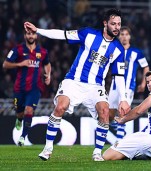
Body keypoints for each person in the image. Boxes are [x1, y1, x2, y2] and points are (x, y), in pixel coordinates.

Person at [24, 8, 130, 161]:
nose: (117, 27)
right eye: (113, 24)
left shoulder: (119, 49)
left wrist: (123, 98)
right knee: (60, 107)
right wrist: (38, 30)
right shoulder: (88, 34)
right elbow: (62, 34)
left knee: (105, 112)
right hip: (74, 81)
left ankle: (97, 153)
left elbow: (119, 76)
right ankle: (47, 148)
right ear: (105, 23)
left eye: (119, 24)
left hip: (96, 86)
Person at [2, 30, 51, 146]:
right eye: (28, 34)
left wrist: (48, 74)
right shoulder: (17, 50)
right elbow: (5, 64)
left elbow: (47, 63)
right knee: (20, 112)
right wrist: (20, 64)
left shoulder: (43, 52)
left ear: (36, 35)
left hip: (35, 88)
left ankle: (23, 137)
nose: (31, 36)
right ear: (25, 36)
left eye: (33, 34)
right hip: (19, 88)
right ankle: (19, 119)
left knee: (29, 110)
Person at [108, 26, 149, 141]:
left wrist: (143, 83)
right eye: (122, 34)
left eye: (126, 34)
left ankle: (119, 143)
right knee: (109, 116)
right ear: (118, 36)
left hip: (128, 88)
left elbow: (146, 67)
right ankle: (121, 129)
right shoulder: (114, 50)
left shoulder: (136, 52)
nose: (124, 37)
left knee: (122, 114)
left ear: (130, 37)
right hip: (114, 86)